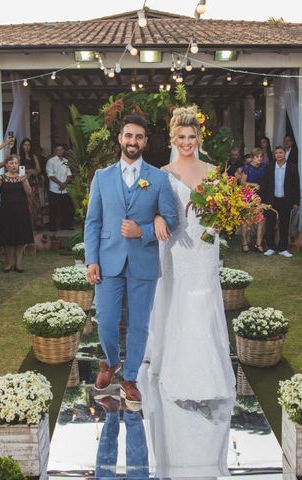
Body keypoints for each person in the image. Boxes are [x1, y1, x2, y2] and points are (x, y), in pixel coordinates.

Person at [143, 106, 236, 476]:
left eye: (192, 137)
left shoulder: (214, 173)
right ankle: (175, 362)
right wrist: (156, 218)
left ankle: (209, 365)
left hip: (205, 245)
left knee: (203, 297)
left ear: (200, 138)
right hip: (176, 246)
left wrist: (227, 213)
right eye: (180, 137)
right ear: (172, 139)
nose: (186, 142)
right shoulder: (162, 174)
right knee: (177, 296)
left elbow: (225, 209)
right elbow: (150, 207)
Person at [84, 114, 178, 407]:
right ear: (120, 139)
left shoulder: (159, 178)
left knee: (139, 325)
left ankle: (131, 378)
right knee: (108, 321)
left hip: (143, 262)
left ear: (145, 142)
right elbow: (93, 222)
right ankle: (111, 363)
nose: (132, 141)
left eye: (138, 136)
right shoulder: (102, 177)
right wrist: (91, 260)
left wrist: (144, 231)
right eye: (128, 136)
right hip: (108, 261)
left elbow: (171, 219)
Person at [0, 154, 34, 272]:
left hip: (21, 211)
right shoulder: (1, 177)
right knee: (7, 238)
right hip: (6, 211)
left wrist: (25, 181)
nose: (13, 165)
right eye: (11, 163)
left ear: (18, 165)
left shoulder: (22, 177)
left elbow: (29, 192)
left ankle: (18, 263)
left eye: (16, 163)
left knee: (20, 237)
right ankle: (9, 263)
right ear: (6, 165)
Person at [261, 146, 301, 257]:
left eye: (281, 152)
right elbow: (265, 185)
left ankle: (283, 248)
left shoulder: (292, 167)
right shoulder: (269, 167)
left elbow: (296, 186)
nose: (279, 155)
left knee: (284, 225)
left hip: (285, 200)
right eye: (276, 153)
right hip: (271, 200)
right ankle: (271, 247)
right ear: (274, 155)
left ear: (284, 154)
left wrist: (296, 202)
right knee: (270, 224)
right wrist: (263, 201)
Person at [240, 148, 267, 253]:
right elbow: (242, 182)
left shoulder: (264, 167)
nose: (259, 158)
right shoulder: (247, 168)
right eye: (257, 156)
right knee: (247, 220)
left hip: (261, 195)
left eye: (261, 156)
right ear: (252, 157)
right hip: (249, 196)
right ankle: (244, 242)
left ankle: (258, 243)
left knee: (261, 219)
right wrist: (253, 184)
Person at [46, 144, 74, 231]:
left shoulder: (66, 161)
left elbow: (69, 174)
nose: (60, 151)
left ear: (63, 151)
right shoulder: (51, 161)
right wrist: (60, 184)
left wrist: (65, 183)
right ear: (55, 151)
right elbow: (50, 175)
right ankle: (52, 227)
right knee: (53, 209)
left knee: (67, 209)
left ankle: (66, 226)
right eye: (58, 150)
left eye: (61, 149)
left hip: (64, 189)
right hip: (54, 189)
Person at [19, 138, 44, 231]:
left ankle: (36, 225)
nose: (27, 146)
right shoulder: (19, 157)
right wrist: (28, 171)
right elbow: (17, 169)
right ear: (22, 146)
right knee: (26, 203)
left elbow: (38, 169)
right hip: (23, 181)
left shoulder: (33, 156)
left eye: (28, 145)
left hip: (33, 182)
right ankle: (26, 225)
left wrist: (31, 171)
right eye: (25, 144)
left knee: (35, 203)